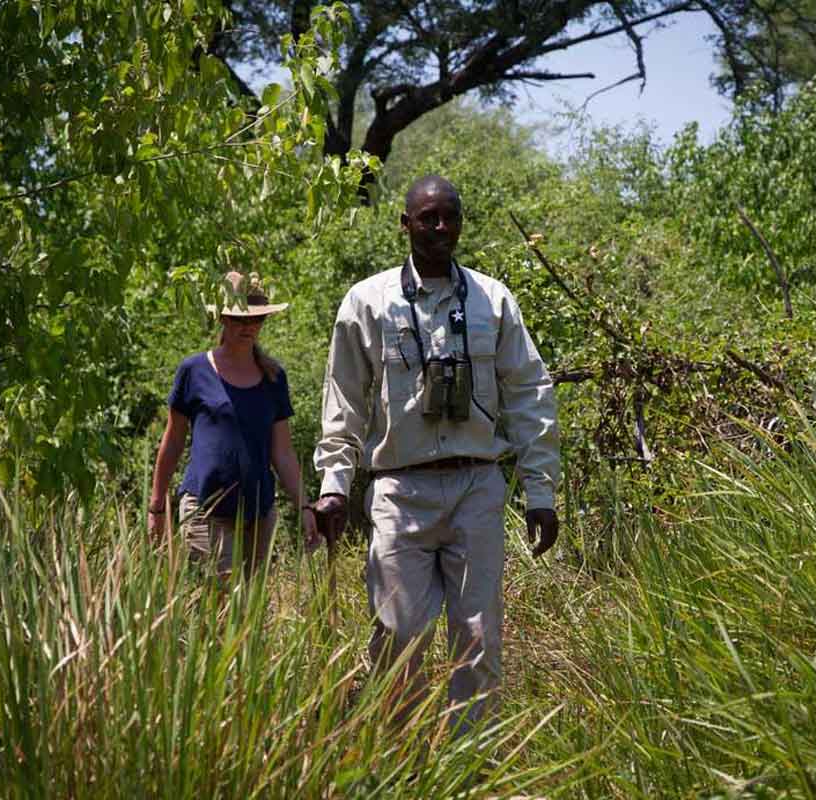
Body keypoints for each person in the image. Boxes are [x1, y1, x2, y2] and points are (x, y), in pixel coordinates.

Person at [312, 175, 560, 729]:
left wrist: (540, 491)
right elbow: (343, 402)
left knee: (477, 637)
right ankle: (398, 762)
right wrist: (334, 486)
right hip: (399, 491)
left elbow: (528, 392)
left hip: (477, 486)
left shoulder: (492, 300)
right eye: (428, 218)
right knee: (398, 635)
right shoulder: (367, 302)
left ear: (461, 223)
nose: (440, 228)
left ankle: (470, 768)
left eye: (450, 216)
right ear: (405, 224)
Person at [149, 271, 318, 576]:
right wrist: (157, 506)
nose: (249, 326)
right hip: (205, 507)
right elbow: (173, 441)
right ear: (223, 319)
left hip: (258, 511)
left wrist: (305, 505)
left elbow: (282, 453)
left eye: (257, 319)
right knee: (220, 604)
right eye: (240, 319)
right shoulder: (194, 370)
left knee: (251, 610)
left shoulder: (273, 377)